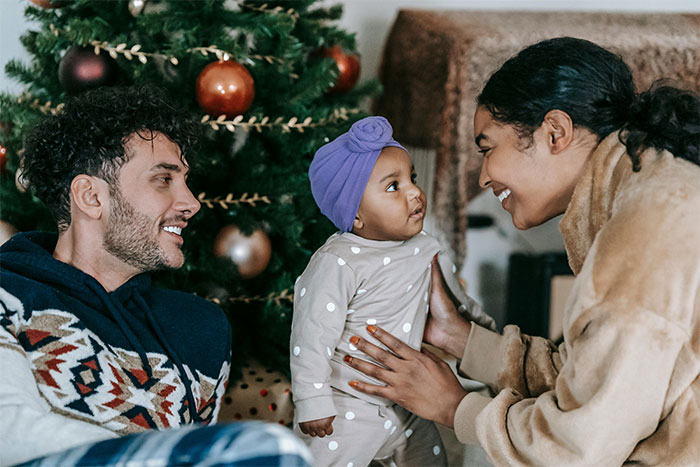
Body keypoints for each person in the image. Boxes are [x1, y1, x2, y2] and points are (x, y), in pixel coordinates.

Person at [342, 37, 700, 465]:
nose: (482, 178)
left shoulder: (646, 229)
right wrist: (457, 336)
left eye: (488, 148)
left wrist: (452, 407)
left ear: (555, 132)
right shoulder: (651, 189)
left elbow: (575, 447)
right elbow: (586, 377)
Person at [0, 85, 311, 467]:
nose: (191, 203)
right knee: (274, 450)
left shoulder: (200, 329)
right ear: (91, 197)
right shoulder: (7, 295)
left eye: (184, 180)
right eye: (164, 180)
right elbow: (9, 434)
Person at [290, 116, 495, 466]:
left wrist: (484, 331)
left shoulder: (426, 247)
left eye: (411, 178)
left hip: (407, 397)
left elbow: (454, 301)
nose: (414, 191)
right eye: (392, 187)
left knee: (432, 459)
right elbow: (311, 334)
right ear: (356, 216)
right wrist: (312, 400)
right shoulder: (338, 261)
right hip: (348, 401)